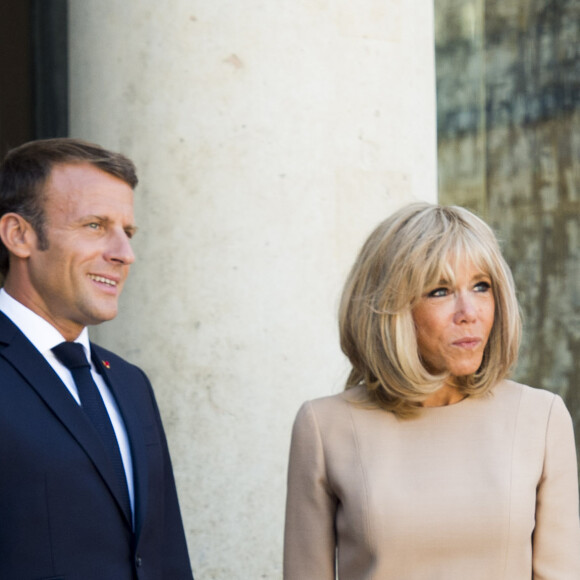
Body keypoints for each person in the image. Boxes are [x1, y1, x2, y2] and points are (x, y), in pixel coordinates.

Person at [284, 203, 580, 579]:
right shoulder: (324, 427)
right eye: (440, 291)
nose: (469, 311)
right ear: (391, 310)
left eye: (481, 286)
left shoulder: (542, 418)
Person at [0, 138, 194, 579]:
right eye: (94, 225)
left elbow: (164, 557)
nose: (124, 254)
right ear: (19, 235)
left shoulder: (130, 383)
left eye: (128, 232)